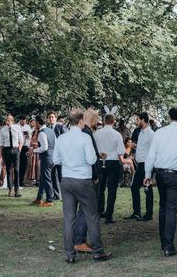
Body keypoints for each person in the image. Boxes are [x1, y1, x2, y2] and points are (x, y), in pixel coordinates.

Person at [53, 109, 111, 264]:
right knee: (91, 216)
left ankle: (70, 254)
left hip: (66, 180)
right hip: (83, 180)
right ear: (81, 121)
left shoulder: (61, 138)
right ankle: (98, 251)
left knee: (69, 218)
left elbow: (56, 160)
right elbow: (92, 160)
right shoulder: (85, 138)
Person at [144, 107, 177, 257]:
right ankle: (169, 246)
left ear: (170, 117)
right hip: (176, 175)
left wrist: (147, 173)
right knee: (171, 209)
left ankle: (164, 243)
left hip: (160, 174)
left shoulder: (159, 132)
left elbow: (151, 155)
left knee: (163, 207)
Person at [74, 108, 103, 254]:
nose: (97, 122)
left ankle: (79, 239)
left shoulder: (81, 132)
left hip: (77, 176)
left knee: (83, 210)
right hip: (89, 176)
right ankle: (80, 240)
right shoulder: (87, 133)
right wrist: (96, 176)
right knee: (88, 210)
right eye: (96, 119)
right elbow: (92, 158)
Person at [94, 113, 125, 223]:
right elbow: (121, 151)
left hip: (99, 161)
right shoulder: (117, 134)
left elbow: (93, 148)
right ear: (113, 122)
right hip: (112, 162)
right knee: (112, 189)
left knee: (100, 188)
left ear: (104, 121)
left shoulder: (97, 133)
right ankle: (108, 216)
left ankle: (99, 211)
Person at [127, 112, 154, 221]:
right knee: (134, 187)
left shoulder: (151, 134)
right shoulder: (141, 132)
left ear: (143, 120)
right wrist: (136, 146)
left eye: (137, 120)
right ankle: (136, 212)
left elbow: (153, 150)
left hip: (147, 164)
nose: (136, 122)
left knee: (147, 189)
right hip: (140, 164)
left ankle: (148, 214)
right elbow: (144, 147)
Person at [31, 115, 54, 207]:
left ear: (38, 123)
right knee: (43, 178)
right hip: (52, 157)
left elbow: (44, 147)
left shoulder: (42, 133)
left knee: (47, 178)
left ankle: (49, 199)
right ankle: (39, 198)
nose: (34, 124)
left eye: (35, 122)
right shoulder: (51, 131)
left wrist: (34, 150)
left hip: (46, 157)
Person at [0, 114, 24, 197]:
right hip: (6, 150)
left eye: (9, 120)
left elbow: (21, 140)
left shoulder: (17, 128)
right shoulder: (3, 130)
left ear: (12, 121)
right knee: (9, 170)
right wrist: (0, 155)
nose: (7, 122)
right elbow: (1, 143)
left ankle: (17, 190)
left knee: (16, 170)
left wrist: (19, 150)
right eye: (6, 120)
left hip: (15, 149)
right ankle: (10, 189)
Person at [50, 111, 67, 200]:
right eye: (49, 117)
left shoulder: (60, 126)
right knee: (53, 175)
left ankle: (65, 194)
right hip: (52, 155)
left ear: (56, 118)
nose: (51, 119)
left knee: (61, 175)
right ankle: (56, 195)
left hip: (61, 155)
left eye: (52, 117)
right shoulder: (49, 128)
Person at [18, 117, 33, 186]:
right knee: (17, 164)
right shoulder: (16, 126)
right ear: (19, 120)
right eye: (22, 121)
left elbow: (30, 137)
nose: (23, 122)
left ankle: (21, 181)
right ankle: (16, 181)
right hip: (17, 146)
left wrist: (27, 135)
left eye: (24, 121)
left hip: (25, 147)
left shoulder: (28, 127)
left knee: (24, 164)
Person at [25, 117, 40, 186]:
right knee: (31, 165)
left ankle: (38, 180)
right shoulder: (33, 132)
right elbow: (31, 141)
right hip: (32, 149)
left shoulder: (40, 132)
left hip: (38, 149)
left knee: (37, 165)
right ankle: (33, 180)